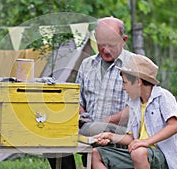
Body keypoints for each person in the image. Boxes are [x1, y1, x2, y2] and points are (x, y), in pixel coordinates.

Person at [48, 16, 135, 169]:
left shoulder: (135, 64)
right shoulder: (87, 64)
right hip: (90, 126)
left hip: (123, 131)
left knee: (95, 129)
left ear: (124, 40)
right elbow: (78, 101)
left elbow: (137, 107)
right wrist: (82, 115)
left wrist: (108, 120)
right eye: (102, 44)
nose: (106, 50)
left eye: (111, 45)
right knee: (53, 131)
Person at [91, 54, 177, 169]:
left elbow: (174, 126)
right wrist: (110, 136)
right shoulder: (134, 104)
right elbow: (131, 138)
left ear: (138, 82)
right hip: (139, 153)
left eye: (125, 83)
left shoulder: (163, 96)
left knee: (138, 152)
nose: (123, 88)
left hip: (162, 156)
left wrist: (145, 142)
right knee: (96, 154)